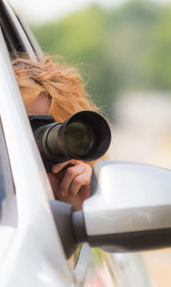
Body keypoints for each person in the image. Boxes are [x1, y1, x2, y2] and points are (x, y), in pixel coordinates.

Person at [12, 56, 103, 210]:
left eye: (45, 135)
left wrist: (85, 207)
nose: (30, 156)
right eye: (15, 136)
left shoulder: (74, 189)